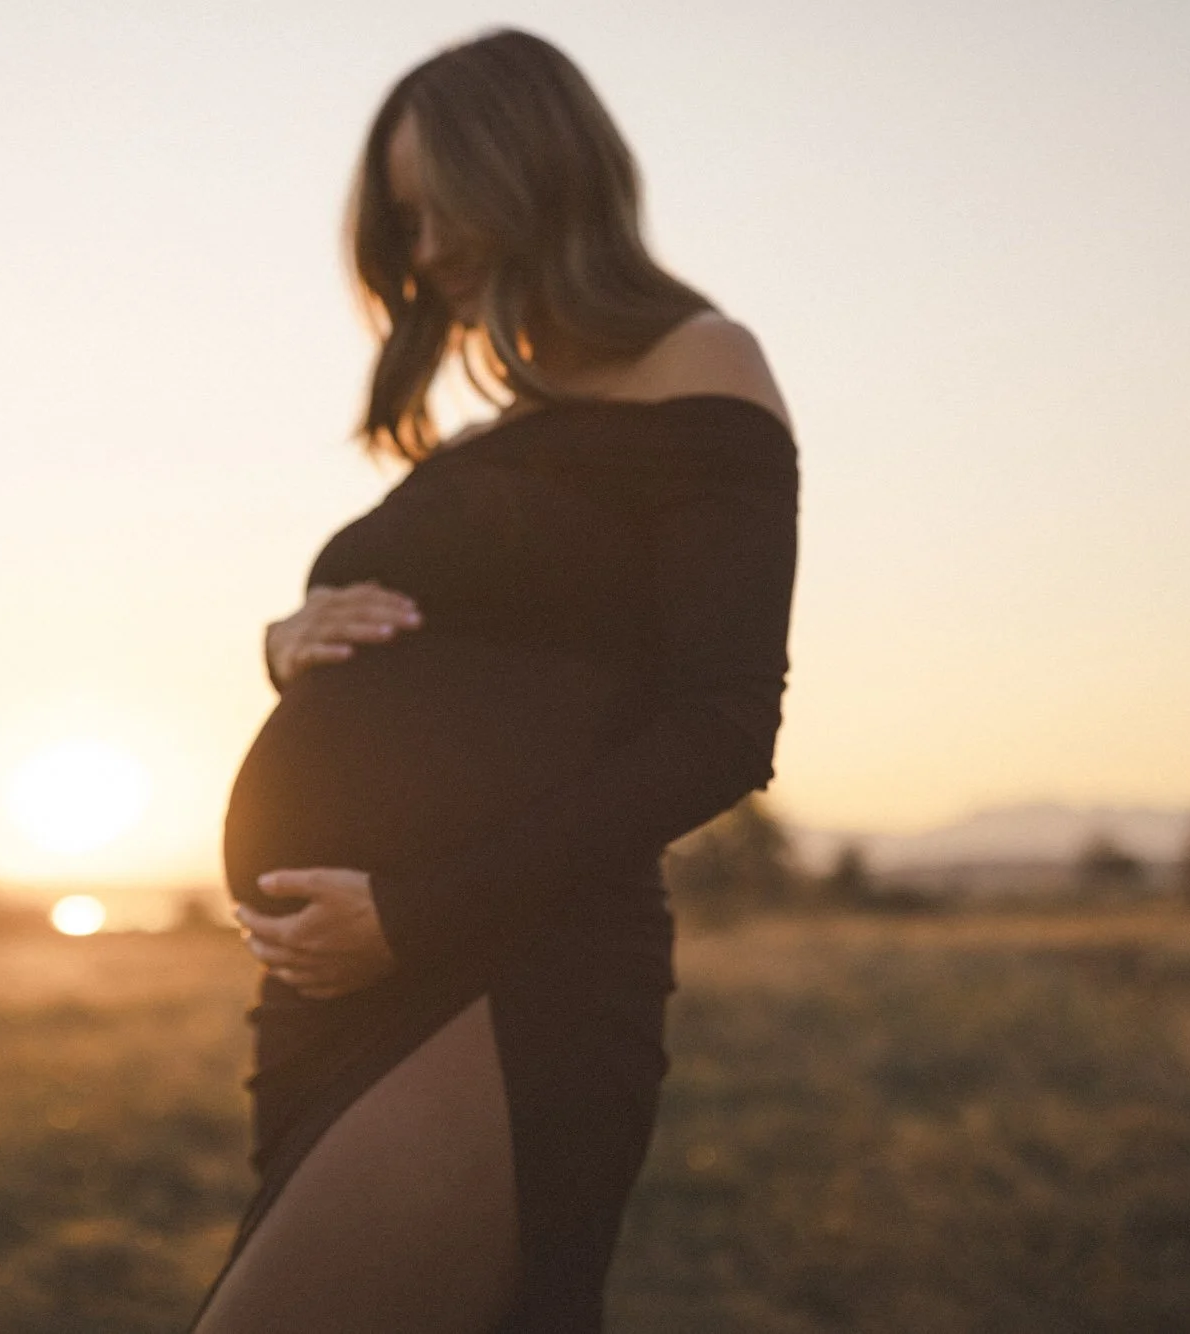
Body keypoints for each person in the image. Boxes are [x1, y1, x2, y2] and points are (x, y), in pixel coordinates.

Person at [194, 27, 798, 1334]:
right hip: (333, 989)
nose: (419, 257)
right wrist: (284, 643)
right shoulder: (495, 439)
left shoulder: (701, 364)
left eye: (433, 208)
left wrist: (415, 912)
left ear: (531, 168)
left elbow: (724, 724)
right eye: (398, 227)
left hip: (508, 968)